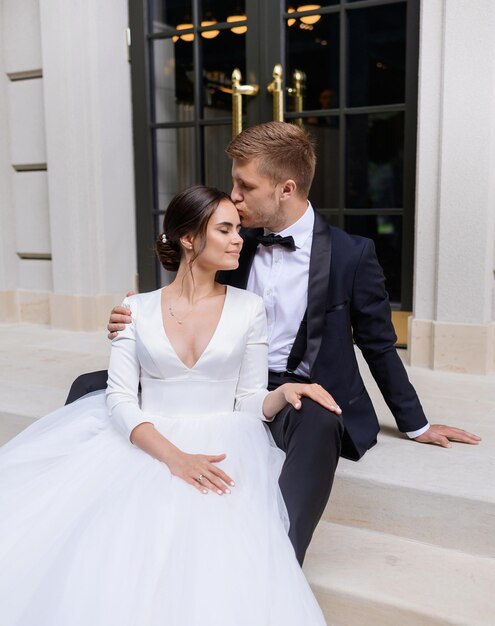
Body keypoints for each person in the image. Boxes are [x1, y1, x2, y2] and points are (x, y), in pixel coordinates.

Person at [70, 122, 481, 566]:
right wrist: (136, 318)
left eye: (245, 185)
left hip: (295, 389)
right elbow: (189, 289)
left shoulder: (350, 254)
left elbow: (379, 344)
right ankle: (80, 523)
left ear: (285, 189)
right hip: (223, 376)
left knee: (322, 421)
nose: (235, 195)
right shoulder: (232, 240)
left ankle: (276, 560)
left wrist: (416, 424)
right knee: (89, 389)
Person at [0, 186, 334, 626]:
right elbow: (120, 399)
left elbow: (249, 401)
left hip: (226, 446)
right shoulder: (133, 310)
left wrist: (285, 394)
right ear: (189, 239)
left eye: (238, 229)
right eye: (225, 229)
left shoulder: (249, 308)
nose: (239, 238)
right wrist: (176, 458)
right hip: (147, 442)